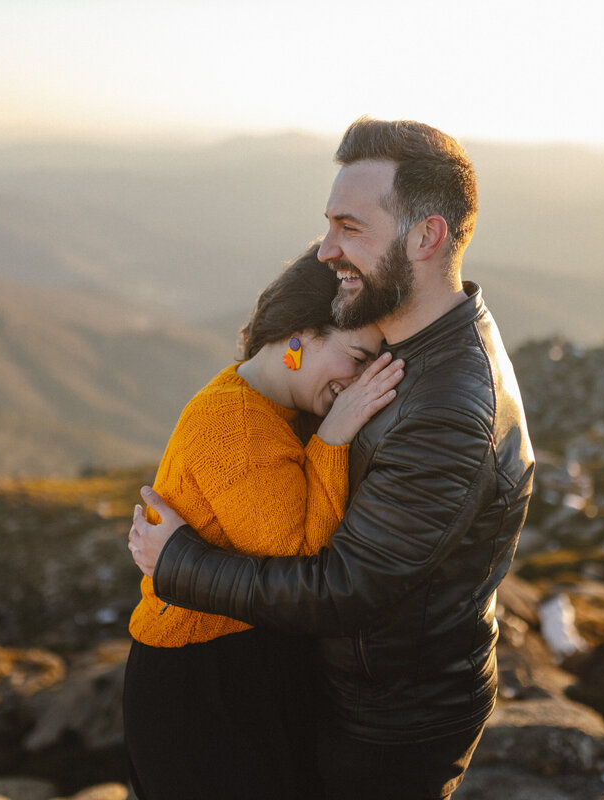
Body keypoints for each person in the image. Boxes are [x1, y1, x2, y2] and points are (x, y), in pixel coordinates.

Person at [130, 117, 536, 800]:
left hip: (391, 723)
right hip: (351, 694)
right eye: (329, 225)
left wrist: (179, 565)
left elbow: (345, 590)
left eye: (351, 228)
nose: (326, 250)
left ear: (427, 237)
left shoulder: (444, 408)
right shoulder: (409, 338)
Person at [122, 243, 405, 800]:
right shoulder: (234, 419)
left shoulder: (275, 408)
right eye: (356, 356)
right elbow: (300, 557)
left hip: (243, 662)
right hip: (199, 683)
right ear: (300, 333)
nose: (364, 380)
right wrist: (334, 437)